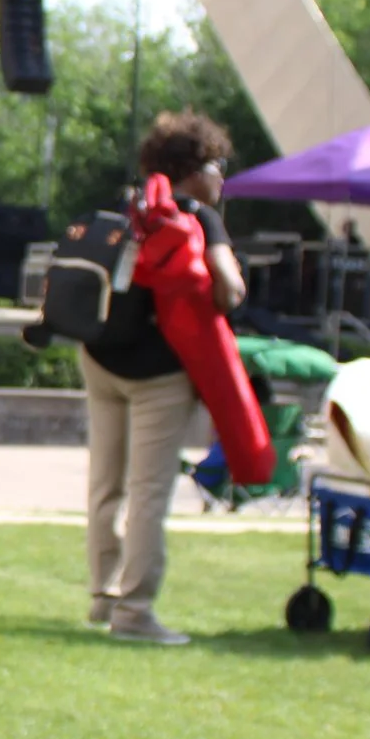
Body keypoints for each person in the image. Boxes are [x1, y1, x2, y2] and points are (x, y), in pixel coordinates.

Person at [79, 111, 245, 645]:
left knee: (106, 484)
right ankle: (135, 613)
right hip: (159, 373)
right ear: (194, 169)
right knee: (150, 490)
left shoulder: (128, 208)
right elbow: (230, 287)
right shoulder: (196, 216)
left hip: (102, 359)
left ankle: (103, 596)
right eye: (218, 166)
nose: (222, 178)